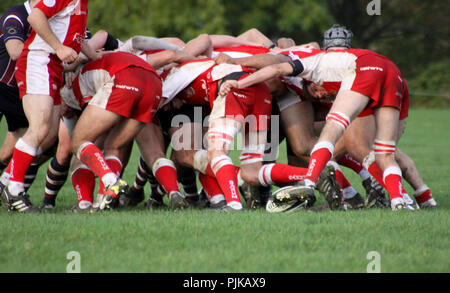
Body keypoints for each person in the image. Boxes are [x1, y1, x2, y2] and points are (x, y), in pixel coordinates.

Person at [219, 43, 419, 211]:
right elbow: (276, 62)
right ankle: (407, 199)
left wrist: (239, 76)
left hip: (365, 70)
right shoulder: (305, 77)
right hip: (393, 74)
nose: (322, 94)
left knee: (337, 135)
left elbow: (275, 64)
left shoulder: (307, 65)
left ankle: (314, 183)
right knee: (383, 151)